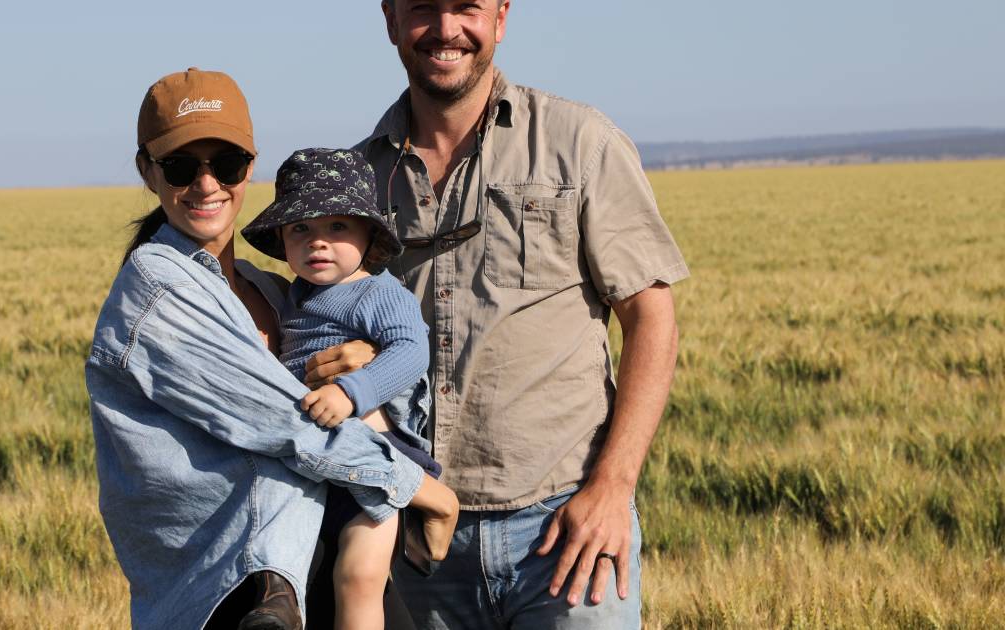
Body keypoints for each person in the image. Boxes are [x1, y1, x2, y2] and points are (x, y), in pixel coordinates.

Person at [350, 1, 690, 628]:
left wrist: (612, 488)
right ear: (391, 19)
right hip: (415, 542)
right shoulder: (357, 179)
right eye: (424, 8)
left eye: (467, 8)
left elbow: (653, 319)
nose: (447, 29)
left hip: (566, 537)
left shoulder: (580, 143)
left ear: (501, 18)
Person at [85, 67, 458, 630]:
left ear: (250, 166)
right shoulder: (162, 292)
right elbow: (288, 422)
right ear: (147, 171)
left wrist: (368, 364)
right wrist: (428, 493)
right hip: (234, 586)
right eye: (182, 166)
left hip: (319, 549)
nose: (208, 184)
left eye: (226, 164)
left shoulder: (270, 288)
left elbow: (392, 357)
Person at [241, 147, 451, 630]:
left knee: (358, 576)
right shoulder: (293, 297)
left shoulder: (377, 292)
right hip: (314, 467)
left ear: (368, 235)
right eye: (301, 229)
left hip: (377, 463)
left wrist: (351, 392)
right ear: (281, 238)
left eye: (337, 227)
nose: (318, 242)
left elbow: (411, 351)